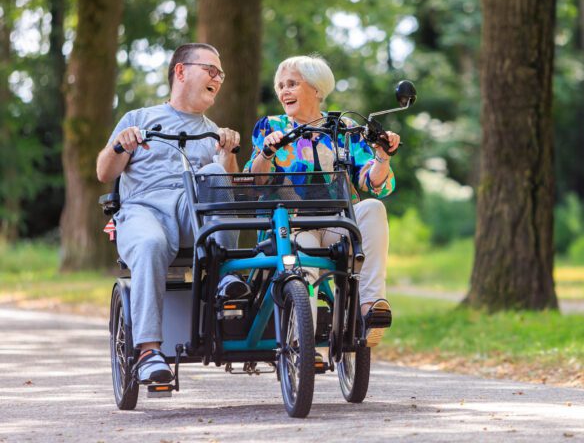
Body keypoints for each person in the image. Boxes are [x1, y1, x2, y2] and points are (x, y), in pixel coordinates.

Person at [96, 43, 242, 383]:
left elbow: (227, 189)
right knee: (149, 244)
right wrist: (121, 143)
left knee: (216, 175)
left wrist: (228, 152)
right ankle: (148, 351)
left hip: (192, 210)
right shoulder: (138, 119)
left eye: (220, 74)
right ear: (181, 71)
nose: (218, 79)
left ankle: (225, 277)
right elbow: (104, 172)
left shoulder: (213, 129)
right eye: (211, 70)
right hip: (144, 209)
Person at [244, 55, 399, 347]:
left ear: (316, 89)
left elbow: (371, 182)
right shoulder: (271, 127)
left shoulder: (344, 128)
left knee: (373, 208)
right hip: (291, 224)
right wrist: (266, 153)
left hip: (336, 223)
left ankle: (371, 307)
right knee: (307, 252)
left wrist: (383, 156)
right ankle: (303, 345)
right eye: (280, 86)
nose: (284, 91)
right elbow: (254, 184)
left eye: (292, 84)